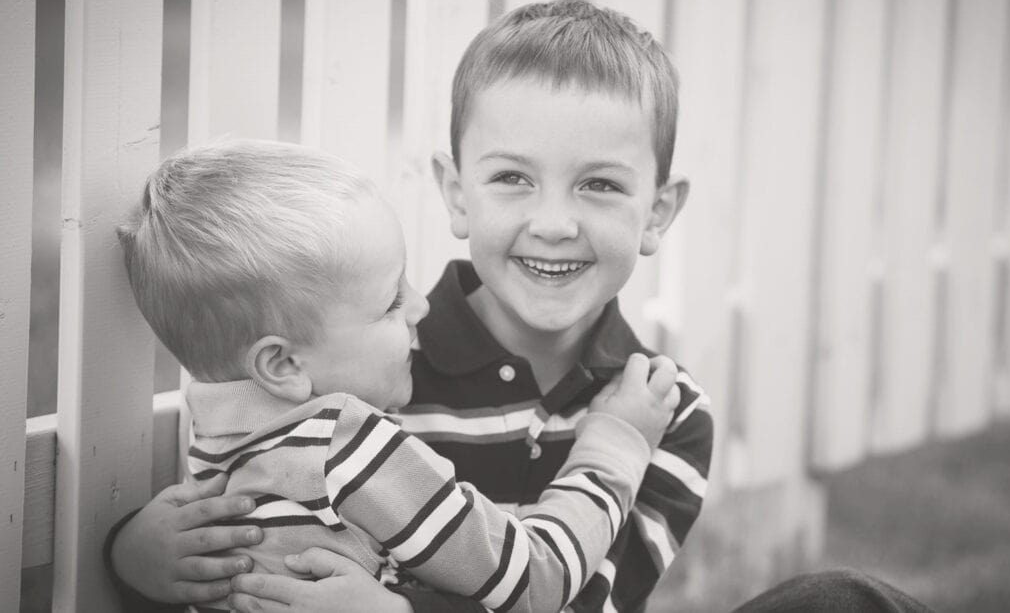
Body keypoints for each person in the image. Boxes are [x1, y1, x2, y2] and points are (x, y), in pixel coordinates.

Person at [111, 138, 683, 613]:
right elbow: (537, 579)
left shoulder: (218, 445)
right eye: (390, 303)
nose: (421, 308)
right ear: (282, 365)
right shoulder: (352, 447)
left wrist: (124, 550)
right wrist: (613, 449)